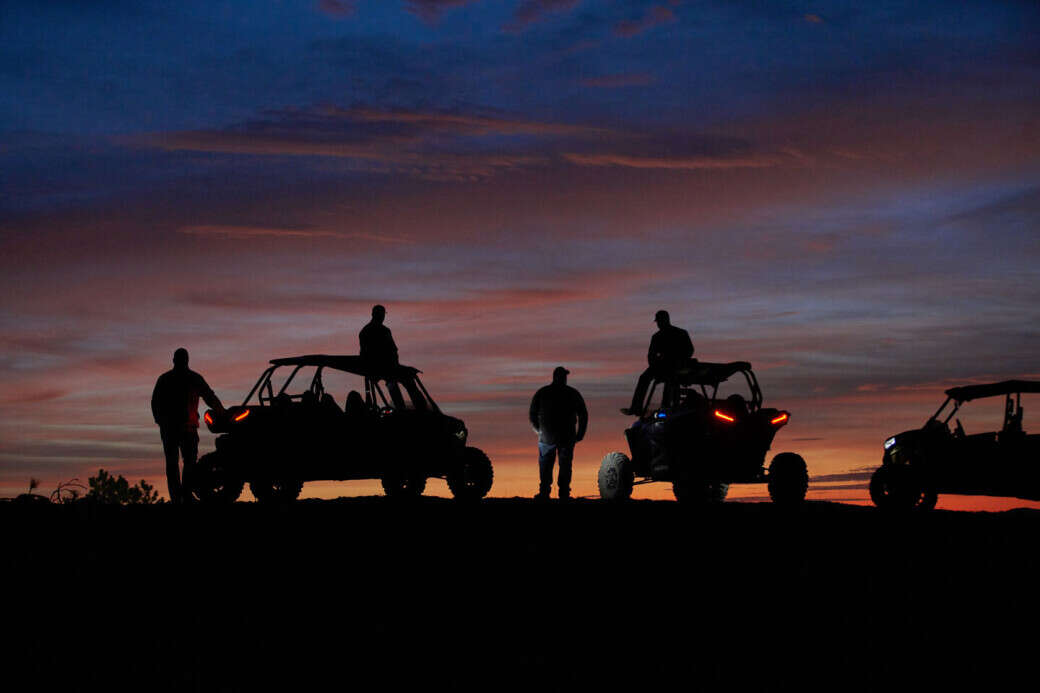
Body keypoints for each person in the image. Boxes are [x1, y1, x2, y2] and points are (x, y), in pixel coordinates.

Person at [151, 348, 224, 504]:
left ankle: (183, 495)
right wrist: (161, 421)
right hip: (175, 428)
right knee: (178, 463)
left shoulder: (171, 379)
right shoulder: (186, 378)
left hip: (183, 428)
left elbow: (210, 397)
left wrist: (221, 412)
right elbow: (155, 402)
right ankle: (180, 497)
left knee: (184, 462)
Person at [529, 367, 588, 501]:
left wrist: (538, 430)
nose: (565, 379)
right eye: (564, 376)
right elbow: (583, 414)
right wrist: (580, 433)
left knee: (549, 465)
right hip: (563, 436)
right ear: (559, 377)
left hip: (549, 437)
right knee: (563, 465)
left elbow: (532, 413)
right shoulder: (572, 393)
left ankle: (547, 493)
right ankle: (562, 493)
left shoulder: (543, 392)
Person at [621, 310, 694, 416]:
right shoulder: (658, 336)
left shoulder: (679, 333)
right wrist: (654, 366)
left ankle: (665, 408)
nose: (658, 324)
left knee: (670, 381)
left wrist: (678, 361)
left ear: (666, 320)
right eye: (658, 322)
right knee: (644, 378)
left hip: (676, 367)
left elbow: (689, 351)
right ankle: (636, 408)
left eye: (659, 321)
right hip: (662, 366)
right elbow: (651, 355)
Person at [359, 304, 399, 372]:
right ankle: (392, 381)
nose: (383, 317)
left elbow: (363, 351)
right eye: (382, 315)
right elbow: (393, 349)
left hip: (369, 365)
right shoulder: (384, 331)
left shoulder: (364, 330)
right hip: (383, 365)